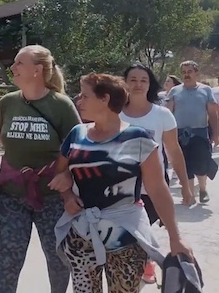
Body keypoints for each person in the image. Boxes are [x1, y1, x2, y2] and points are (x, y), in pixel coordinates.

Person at [50, 73, 194, 293]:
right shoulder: (76, 134)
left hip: (126, 236)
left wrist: (176, 238)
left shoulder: (138, 138)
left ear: (104, 99)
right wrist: (68, 196)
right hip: (81, 233)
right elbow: (60, 173)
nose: (79, 101)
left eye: (85, 96)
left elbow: (157, 188)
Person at [0, 45, 80, 293]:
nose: (13, 67)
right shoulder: (8, 102)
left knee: (58, 260)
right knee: (8, 261)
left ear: (37, 70)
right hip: (12, 195)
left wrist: (67, 175)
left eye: (19, 63)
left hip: (51, 197)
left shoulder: (61, 105)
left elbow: (79, 149)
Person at [120, 63, 194, 284]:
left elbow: (173, 151)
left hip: (152, 188)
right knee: (131, 236)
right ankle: (144, 262)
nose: (138, 84)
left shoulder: (161, 115)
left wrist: (185, 185)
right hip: (120, 187)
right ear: (124, 83)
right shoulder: (114, 112)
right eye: (133, 79)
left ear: (150, 84)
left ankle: (144, 262)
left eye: (143, 80)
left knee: (139, 233)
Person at [165, 61, 219, 203]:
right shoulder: (174, 91)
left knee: (201, 164)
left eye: (189, 71)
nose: (186, 75)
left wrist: (216, 134)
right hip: (179, 134)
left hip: (200, 132)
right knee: (184, 164)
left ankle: (202, 189)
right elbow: (168, 113)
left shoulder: (206, 90)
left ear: (196, 73)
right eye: (183, 72)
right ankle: (190, 195)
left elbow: (213, 114)